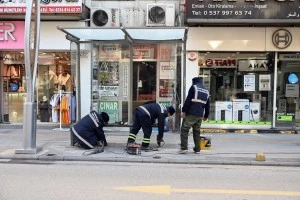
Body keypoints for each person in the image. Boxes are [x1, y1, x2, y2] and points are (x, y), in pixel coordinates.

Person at [179, 77, 210, 154]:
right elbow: (207, 105)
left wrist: (183, 111)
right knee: (196, 131)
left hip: (191, 113)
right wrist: (206, 115)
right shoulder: (206, 91)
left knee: (184, 129)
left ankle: (184, 148)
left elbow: (188, 100)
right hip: (200, 114)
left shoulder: (194, 87)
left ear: (194, 82)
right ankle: (197, 149)